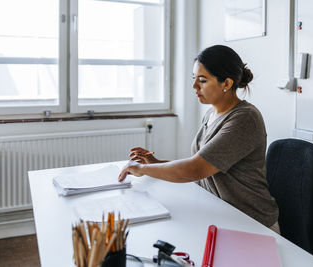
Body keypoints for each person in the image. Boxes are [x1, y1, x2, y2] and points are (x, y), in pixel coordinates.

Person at [118, 45, 279, 232]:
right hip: (222, 213)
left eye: (202, 80)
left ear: (226, 84)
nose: (194, 86)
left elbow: (195, 169)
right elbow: (204, 166)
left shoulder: (245, 118)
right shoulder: (212, 113)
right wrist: (156, 163)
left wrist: (144, 169)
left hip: (252, 223)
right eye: (194, 79)